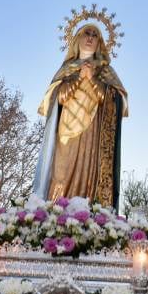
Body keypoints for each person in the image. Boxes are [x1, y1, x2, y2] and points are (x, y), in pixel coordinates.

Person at [32, 14, 129, 206]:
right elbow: (58, 97)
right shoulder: (67, 68)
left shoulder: (105, 70)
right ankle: (54, 212)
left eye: (95, 35)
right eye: (86, 33)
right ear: (77, 39)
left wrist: (92, 79)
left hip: (92, 132)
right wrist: (77, 78)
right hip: (66, 130)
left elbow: (115, 100)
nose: (90, 37)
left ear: (100, 43)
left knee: (87, 173)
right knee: (61, 171)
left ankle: (85, 212)